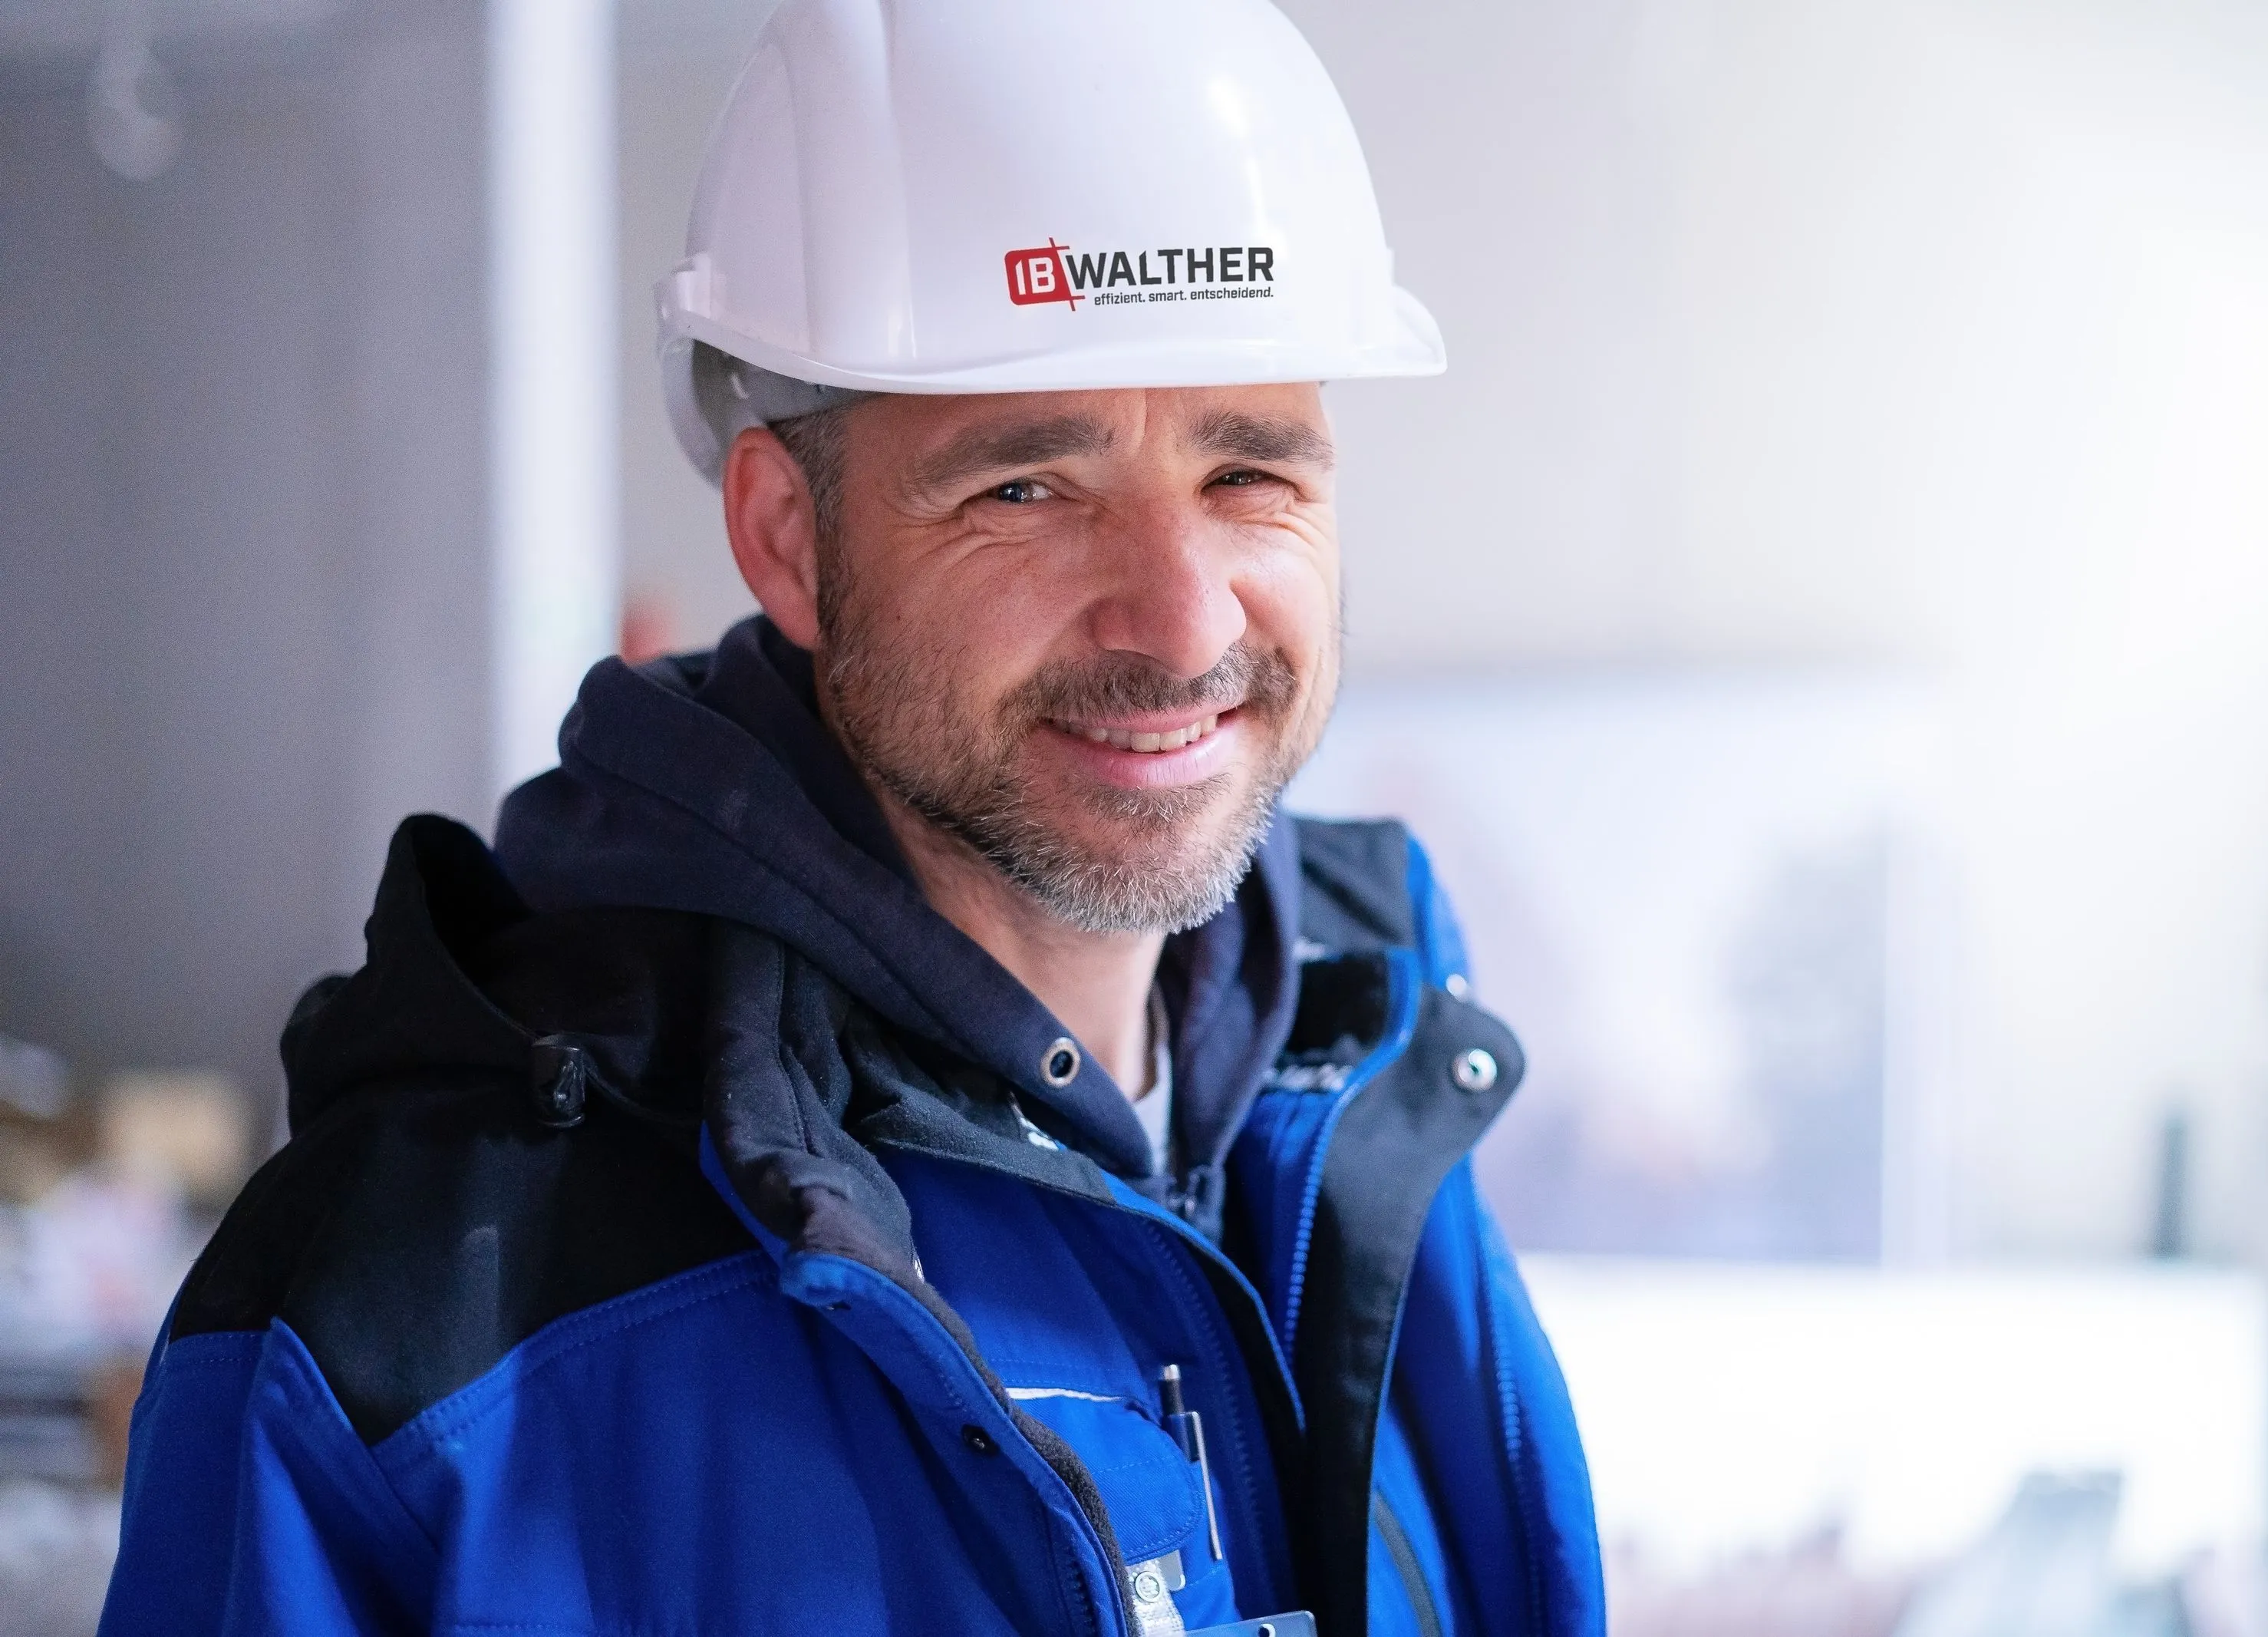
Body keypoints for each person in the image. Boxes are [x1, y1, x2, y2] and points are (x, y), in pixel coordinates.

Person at [100, 0, 1604, 1632]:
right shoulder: (404, 1334)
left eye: (1251, 476)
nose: (1181, 624)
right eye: (1026, 490)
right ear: (787, 538)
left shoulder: (1376, 1082)